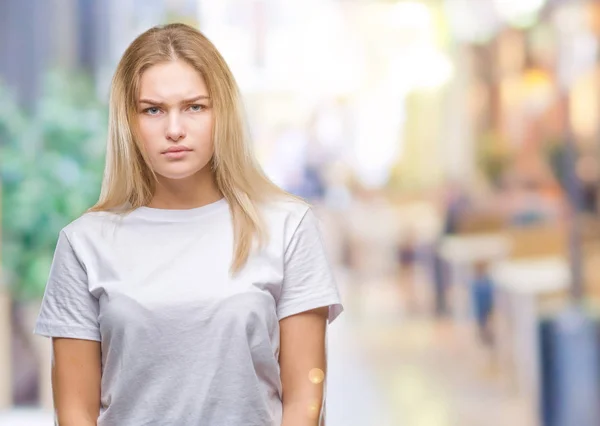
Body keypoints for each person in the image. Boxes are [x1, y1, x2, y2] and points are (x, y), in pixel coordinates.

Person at [33, 23, 343, 426]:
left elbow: (304, 399)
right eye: (153, 109)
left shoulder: (287, 227)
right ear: (129, 121)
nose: (174, 129)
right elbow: (75, 410)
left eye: (194, 106)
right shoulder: (84, 243)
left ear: (222, 112)